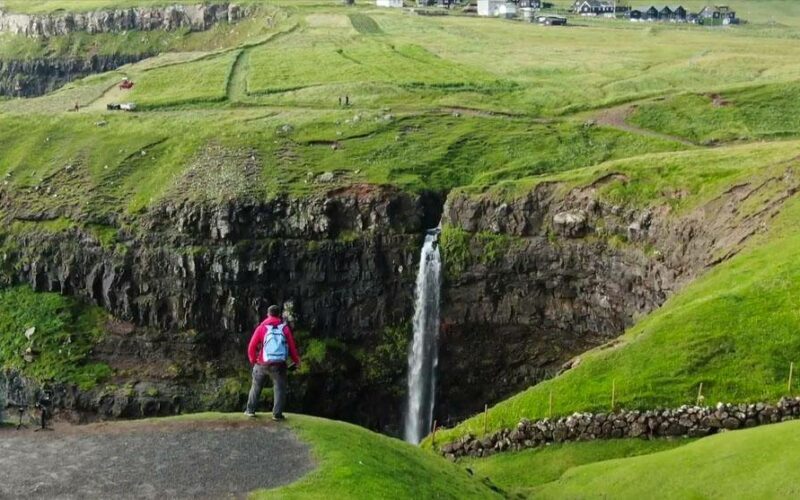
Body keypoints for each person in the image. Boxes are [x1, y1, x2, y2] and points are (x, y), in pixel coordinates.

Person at [245, 305, 301, 420]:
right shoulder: (284, 328)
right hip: (279, 365)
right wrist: (296, 361)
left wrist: (253, 360)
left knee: (256, 386)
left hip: (262, 363)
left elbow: (251, 346)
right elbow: (292, 347)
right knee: (279, 388)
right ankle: (277, 414)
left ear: (268, 314)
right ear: (278, 314)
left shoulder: (261, 328)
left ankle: (250, 410)